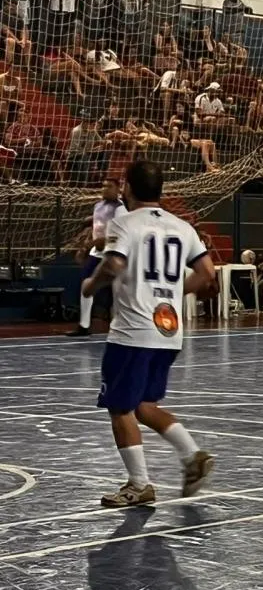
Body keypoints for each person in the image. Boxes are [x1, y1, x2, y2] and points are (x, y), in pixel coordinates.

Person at [80, 160, 216, 507]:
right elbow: (207, 272)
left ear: (127, 187)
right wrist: (172, 294)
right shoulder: (183, 226)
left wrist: (91, 285)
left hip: (132, 331)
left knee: (119, 408)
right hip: (167, 331)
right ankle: (193, 455)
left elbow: (114, 264)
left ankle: (139, 484)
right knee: (144, 406)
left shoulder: (125, 223)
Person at [66, 178, 128, 338]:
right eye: (104, 186)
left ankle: (119, 324)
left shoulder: (120, 209)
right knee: (86, 284)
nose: (105, 189)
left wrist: (94, 244)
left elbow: (119, 234)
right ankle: (84, 325)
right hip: (97, 252)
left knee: (117, 290)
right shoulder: (98, 205)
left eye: (109, 186)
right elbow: (96, 227)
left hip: (113, 252)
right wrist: (86, 244)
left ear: (118, 189)